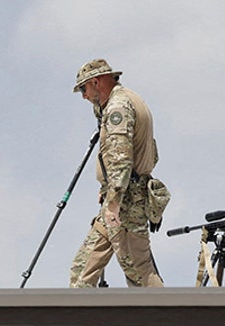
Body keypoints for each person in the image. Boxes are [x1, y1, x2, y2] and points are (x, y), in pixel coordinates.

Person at [68, 58, 163, 288]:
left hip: (126, 204)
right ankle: (75, 317)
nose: (84, 96)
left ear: (97, 82)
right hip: (120, 199)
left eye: (84, 89)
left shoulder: (118, 108)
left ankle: (164, 319)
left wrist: (114, 202)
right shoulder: (128, 100)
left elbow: (121, 159)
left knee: (139, 272)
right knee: (82, 271)